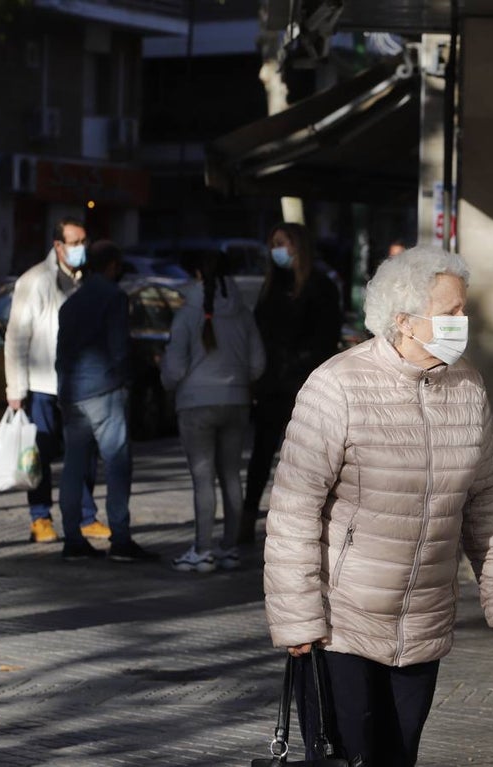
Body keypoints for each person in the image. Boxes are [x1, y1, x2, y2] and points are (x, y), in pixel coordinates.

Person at [263, 245, 493, 767]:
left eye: (464, 309)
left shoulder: (468, 387)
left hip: (424, 622)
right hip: (344, 624)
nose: (464, 321)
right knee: (346, 757)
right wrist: (297, 619)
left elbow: (488, 501)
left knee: (397, 757)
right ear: (405, 320)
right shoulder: (337, 384)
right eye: (452, 311)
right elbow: (294, 510)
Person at [5, 216, 109, 544]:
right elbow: (16, 338)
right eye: (75, 243)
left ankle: (85, 516)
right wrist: (16, 390)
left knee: (83, 453)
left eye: (84, 242)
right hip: (41, 385)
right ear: (58, 245)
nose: (82, 248)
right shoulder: (35, 281)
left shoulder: (87, 279)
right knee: (39, 455)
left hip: (79, 384)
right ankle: (40, 518)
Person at [162, 249, 266, 573]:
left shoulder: (187, 314)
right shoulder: (242, 313)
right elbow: (258, 363)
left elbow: (174, 368)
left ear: (196, 274)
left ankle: (202, 549)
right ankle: (229, 548)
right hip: (236, 403)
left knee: (202, 478)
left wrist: (167, 379)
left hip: (196, 405)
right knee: (232, 476)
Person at [55, 240, 158, 562]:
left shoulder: (70, 304)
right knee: (116, 465)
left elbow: (61, 353)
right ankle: (121, 539)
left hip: (72, 393)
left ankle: (72, 539)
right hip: (104, 392)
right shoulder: (114, 298)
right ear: (112, 265)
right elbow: (118, 347)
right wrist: (127, 379)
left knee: (73, 467)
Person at [240, 223, 342, 544]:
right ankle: (246, 521)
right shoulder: (272, 287)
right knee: (262, 455)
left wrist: (296, 367)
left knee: (304, 460)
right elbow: (259, 332)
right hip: (272, 386)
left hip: (303, 386)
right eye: (273, 243)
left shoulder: (319, 286)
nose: (277, 250)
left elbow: (325, 338)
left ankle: (304, 522)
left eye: (282, 243)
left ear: (298, 245)